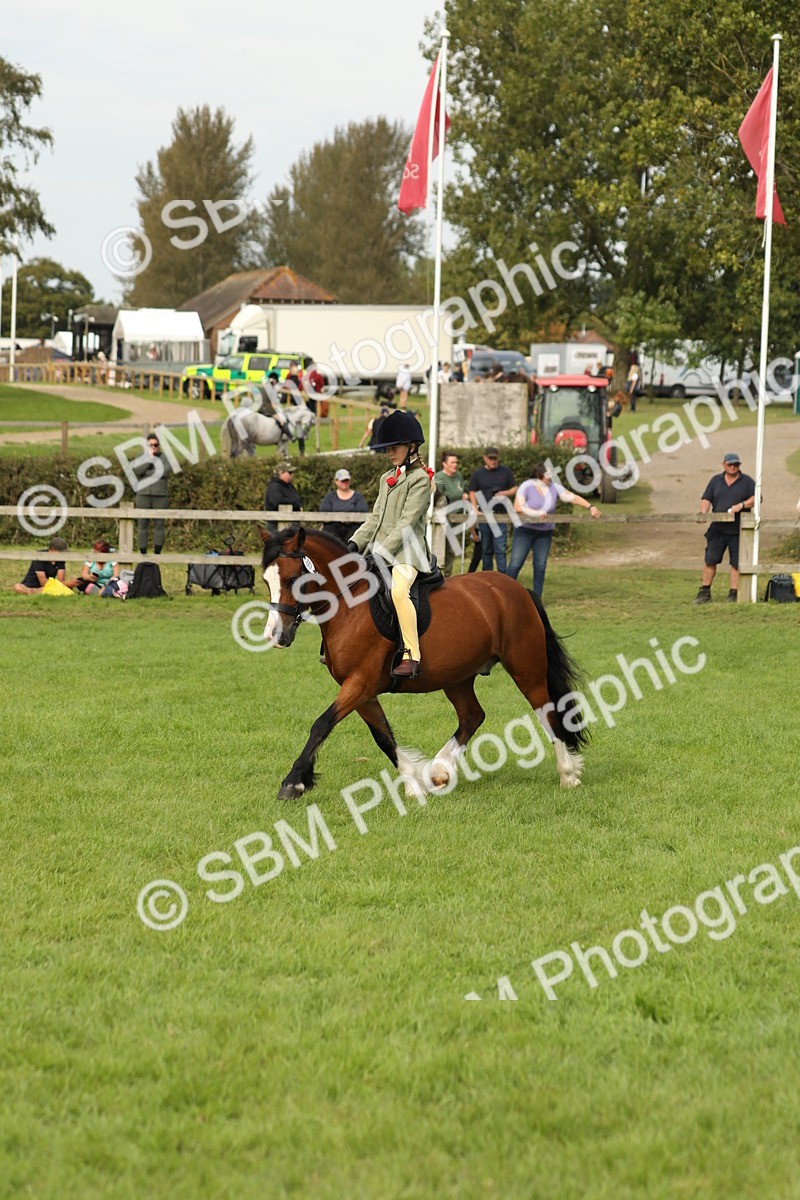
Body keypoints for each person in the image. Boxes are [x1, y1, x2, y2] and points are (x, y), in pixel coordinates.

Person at [348, 410, 435, 678]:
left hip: (407, 555)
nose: (389, 453)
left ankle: (412, 654)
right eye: (387, 449)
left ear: (411, 447)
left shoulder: (421, 479)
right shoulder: (388, 478)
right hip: (379, 551)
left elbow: (407, 524)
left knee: (398, 591)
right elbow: (375, 519)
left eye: (393, 448)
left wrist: (381, 553)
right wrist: (353, 544)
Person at [507, 463, 601, 595]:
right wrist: (537, 513)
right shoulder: (526, 486)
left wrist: (590, 506)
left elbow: (572, 497)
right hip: (525, 531)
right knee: (516, 564)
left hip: (544, 533)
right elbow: (517, 508)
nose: (550, 477)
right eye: (548, 475)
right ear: (540, 475)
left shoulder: (554, 488)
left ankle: (537, 599)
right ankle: (505, 593)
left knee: (540, 566)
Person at [694, 453, 755, 604]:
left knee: (736, 563)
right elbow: (706, 498)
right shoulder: (716, 481)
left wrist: (741, 505)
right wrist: (704, 512)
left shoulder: (747, 481)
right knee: (710, 560)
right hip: (717, 529)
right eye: (730, 464)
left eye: (736, 465)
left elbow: (756, 498)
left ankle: (733, 594)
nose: (733, 467)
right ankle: (704, 592)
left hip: (738, 530)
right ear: (724, 465)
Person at [468, 447, 517, 573]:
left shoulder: (505, 471)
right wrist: (475, 508)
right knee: (486, 550)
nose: (493, 461)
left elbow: (514, 488)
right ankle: (487, 576)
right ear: (485, 458)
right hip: (485, 515)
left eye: (495, 458)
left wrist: (505, 493)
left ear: (498, 458)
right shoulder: (478, 474)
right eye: (490, 458)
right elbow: (472, 491)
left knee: (500, 549)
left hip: (500, 516)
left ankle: (503, 577)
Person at [132, 432, 171, 555]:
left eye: (156, 445)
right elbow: (137, 471)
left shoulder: (165, 457)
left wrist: (148, 473)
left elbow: (165, 472)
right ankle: (143, 551)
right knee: (142, 523)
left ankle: (157, 552)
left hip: (160, 495)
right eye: (150, 445)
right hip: (143, 494)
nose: (153, 447)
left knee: (159, 523)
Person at [433, 452, 470, 576]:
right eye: (452, 462)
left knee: (451, 550)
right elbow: (439, 500)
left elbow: (461, 492)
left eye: (456, 462)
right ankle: (436, 574)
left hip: (457, 518)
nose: (455, 465)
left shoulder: (458, 476)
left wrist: (464, 496)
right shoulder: (439, 478)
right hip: (443, 520)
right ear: (444, 464)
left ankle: (447, 575)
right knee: (440, 549)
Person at [320, 468, 369, 544]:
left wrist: (349, 519)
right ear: (336, 481)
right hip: (334, 528)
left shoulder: (358, 497)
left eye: (347, 480)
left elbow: (363, 512)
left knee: (355, 537)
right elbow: (324, 512)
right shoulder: (330, 497)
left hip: (353, 527)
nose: (345, 483)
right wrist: (339, 518)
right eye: (342, 480)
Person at [265, 460, 303, 531]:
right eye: (289, 473)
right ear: (281, 473)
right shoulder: (274, 486)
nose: (292, 475)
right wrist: (295, 504)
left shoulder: (289, 486)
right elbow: (277, 501)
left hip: (292, 524)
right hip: (276, 526)